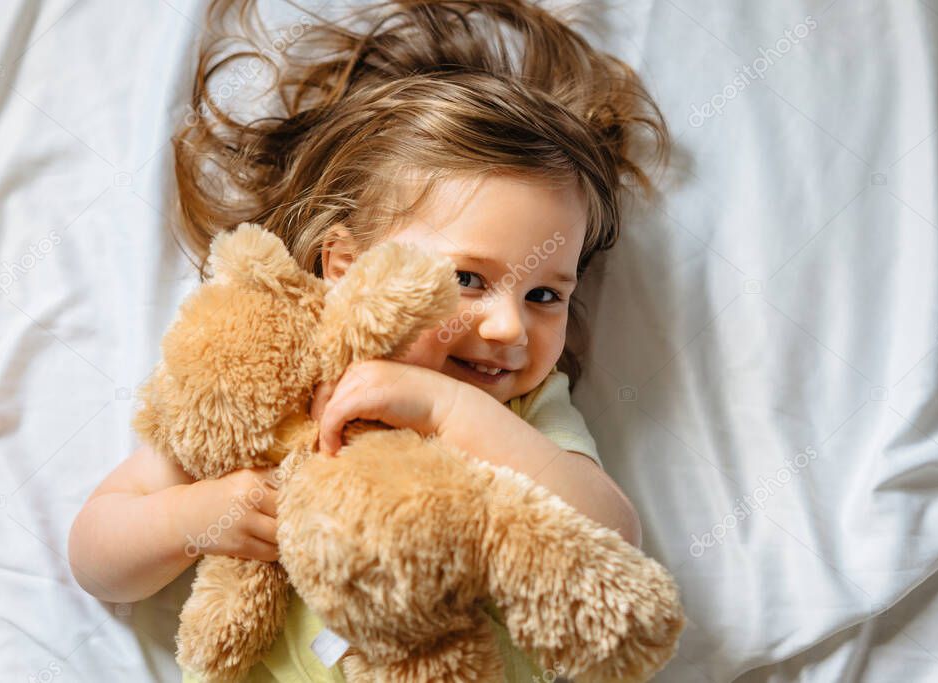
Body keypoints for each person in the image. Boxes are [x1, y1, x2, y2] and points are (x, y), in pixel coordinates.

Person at [68, 0, 668, 679]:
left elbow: (614, 537)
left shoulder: (520, 413)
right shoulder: (278, 378)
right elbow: (96, 558)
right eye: (468, 278)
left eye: (544, 295)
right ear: (346, 266)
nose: (509, 328)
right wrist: (194, 517)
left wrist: (449, 411)